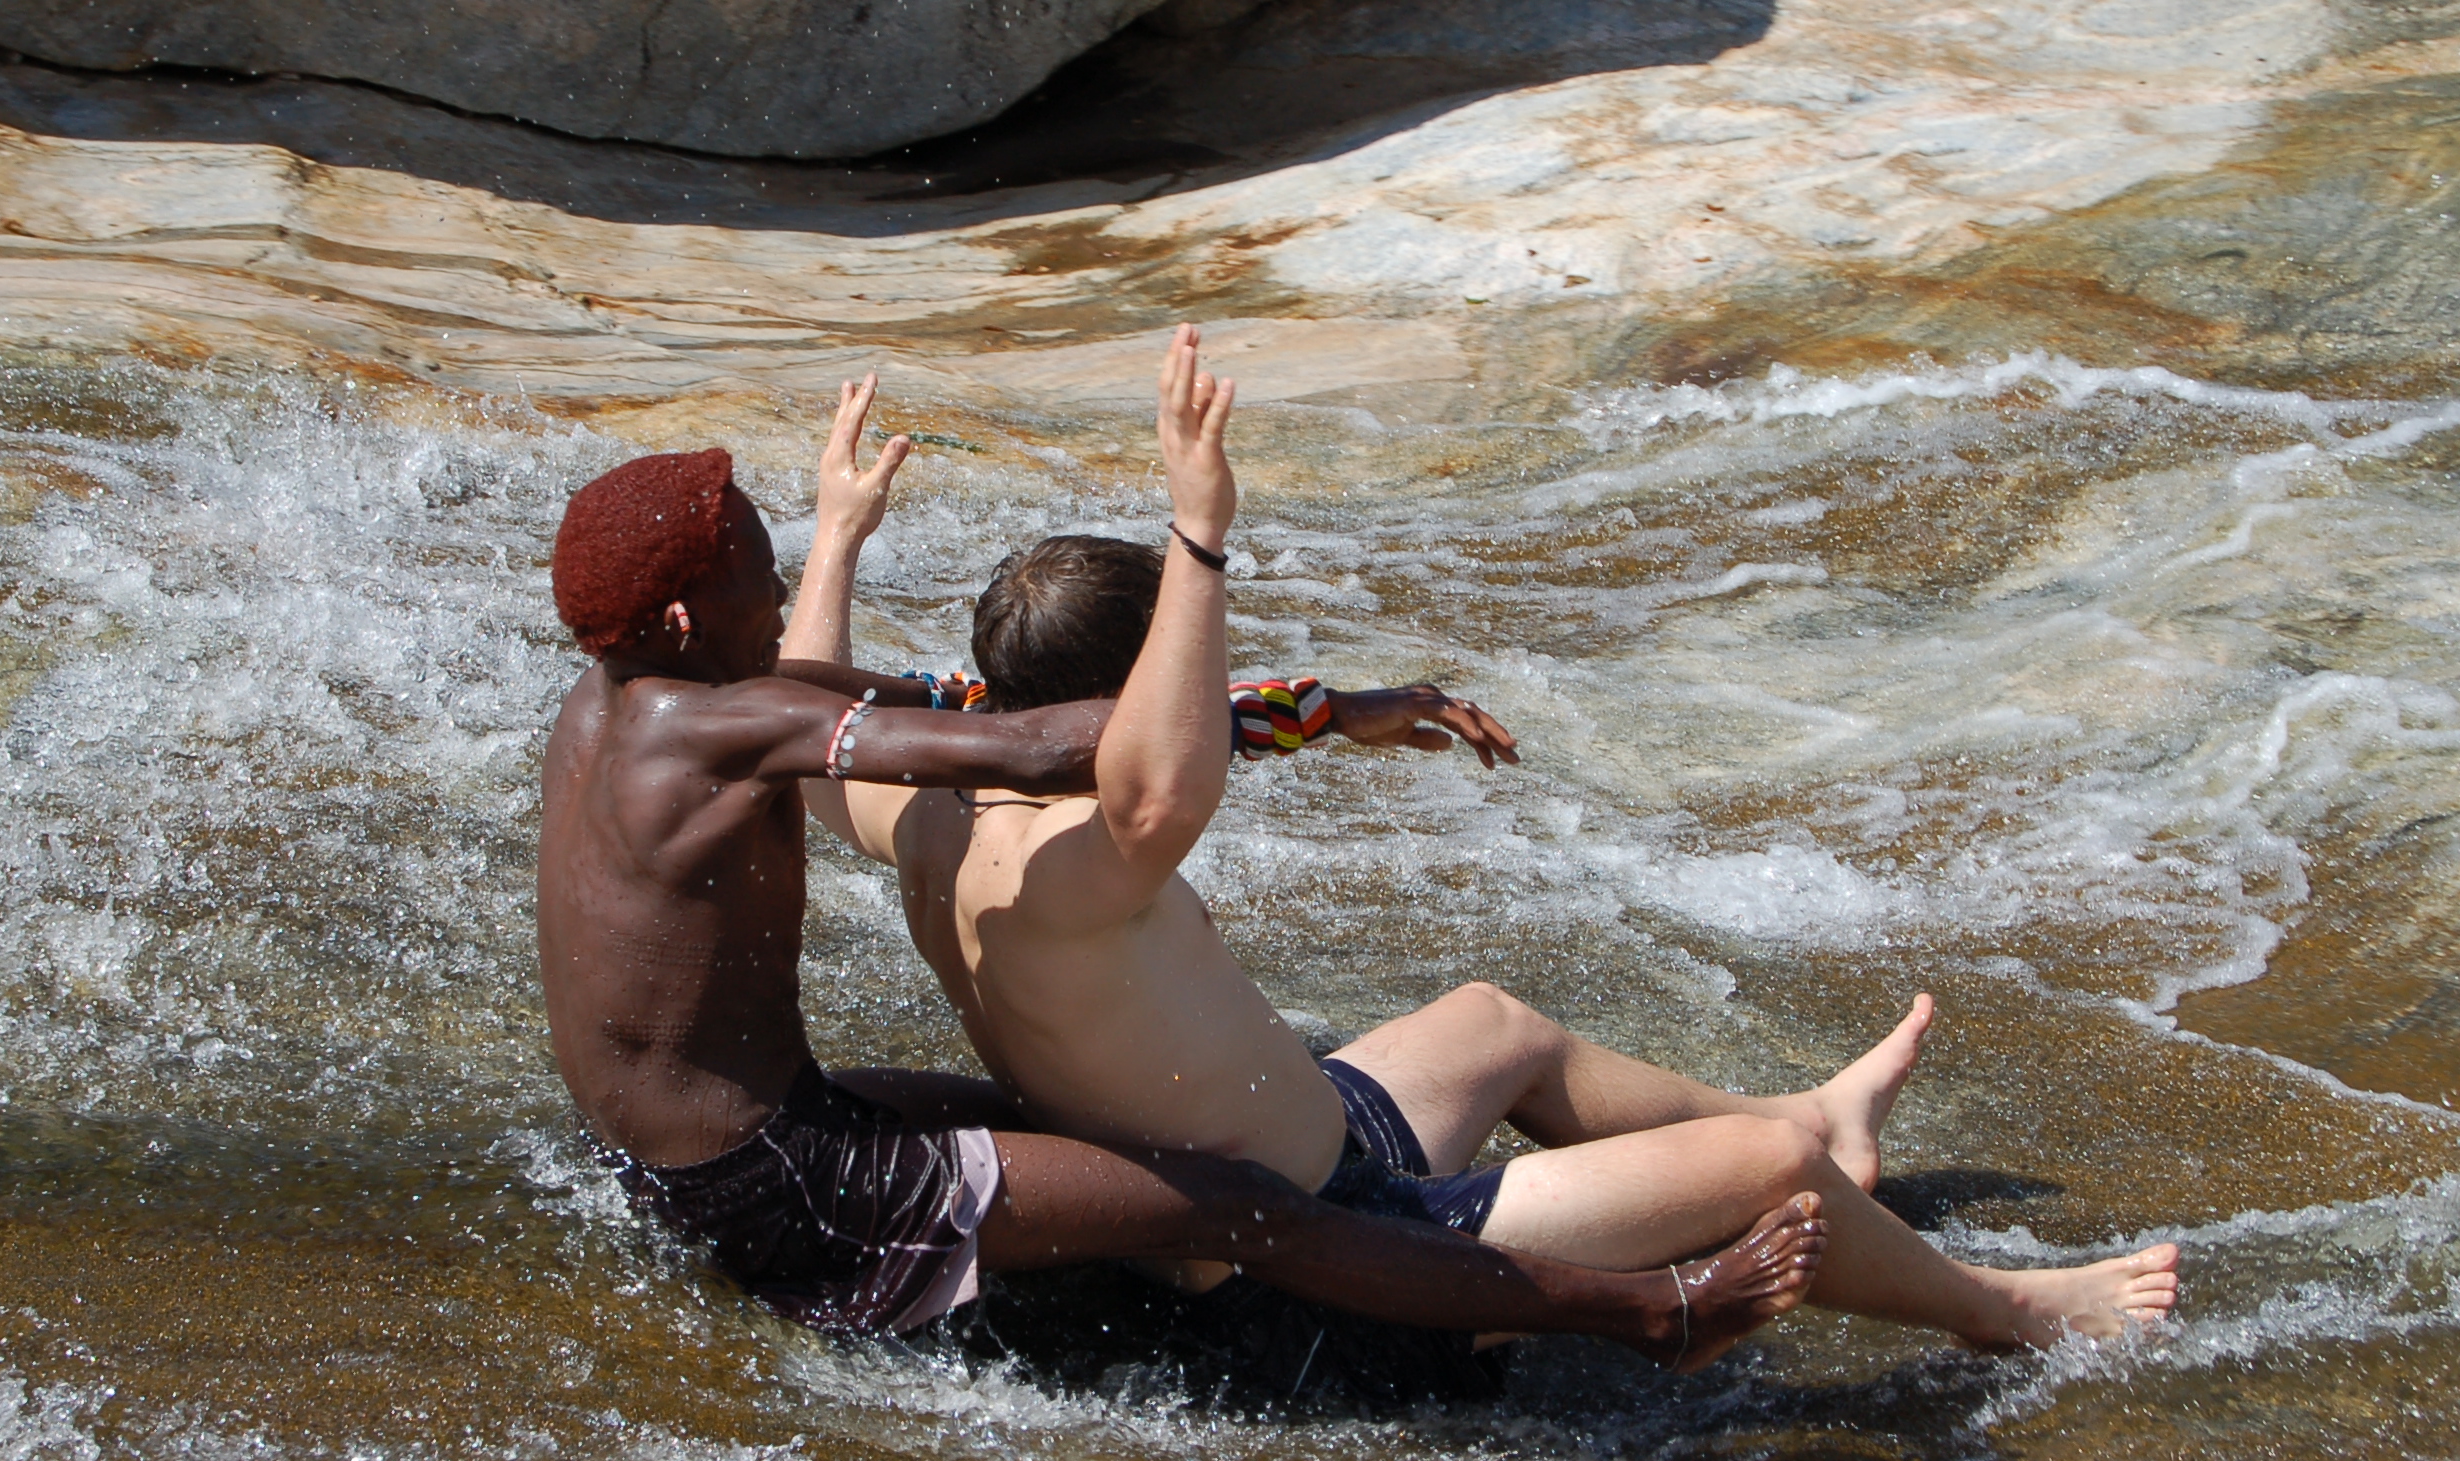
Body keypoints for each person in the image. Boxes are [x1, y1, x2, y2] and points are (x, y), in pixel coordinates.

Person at [792, 328, 2181, 1354]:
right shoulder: (1096, 865)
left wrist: (838, 538)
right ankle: (2008, 1312)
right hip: (1323, 1257)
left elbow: (804, 754)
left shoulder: (938, 815)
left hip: (1329, 1148)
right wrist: (1199, 538)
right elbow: (1166, 780)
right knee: (1764, 1194)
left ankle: (1813, 1117)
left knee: (1492, 1022)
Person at [533, 433, 1825, 1373]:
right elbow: (1056, 749)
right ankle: (1653, 1314)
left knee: (1042, 1128)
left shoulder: (617, 707)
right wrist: (1205, 554)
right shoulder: (715, 729)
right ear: (695, 615)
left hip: (697, 1148)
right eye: (766, 567)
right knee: (1229, 1201)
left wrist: (1315, 710)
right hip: (778, 1179)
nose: (777, 592)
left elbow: (940, 705)